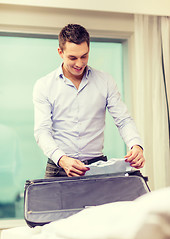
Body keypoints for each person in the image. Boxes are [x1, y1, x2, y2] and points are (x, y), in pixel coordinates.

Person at [33, 24, 145, 178]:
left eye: (84, 56)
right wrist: (62, 159)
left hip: (96, 167)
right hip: (60, 167)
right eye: (72, 57)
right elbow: (42, 131)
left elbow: (123, 120)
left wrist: (136, 145)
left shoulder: (105, 81)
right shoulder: (44, 85)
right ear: (60, 52)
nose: (79, 64)